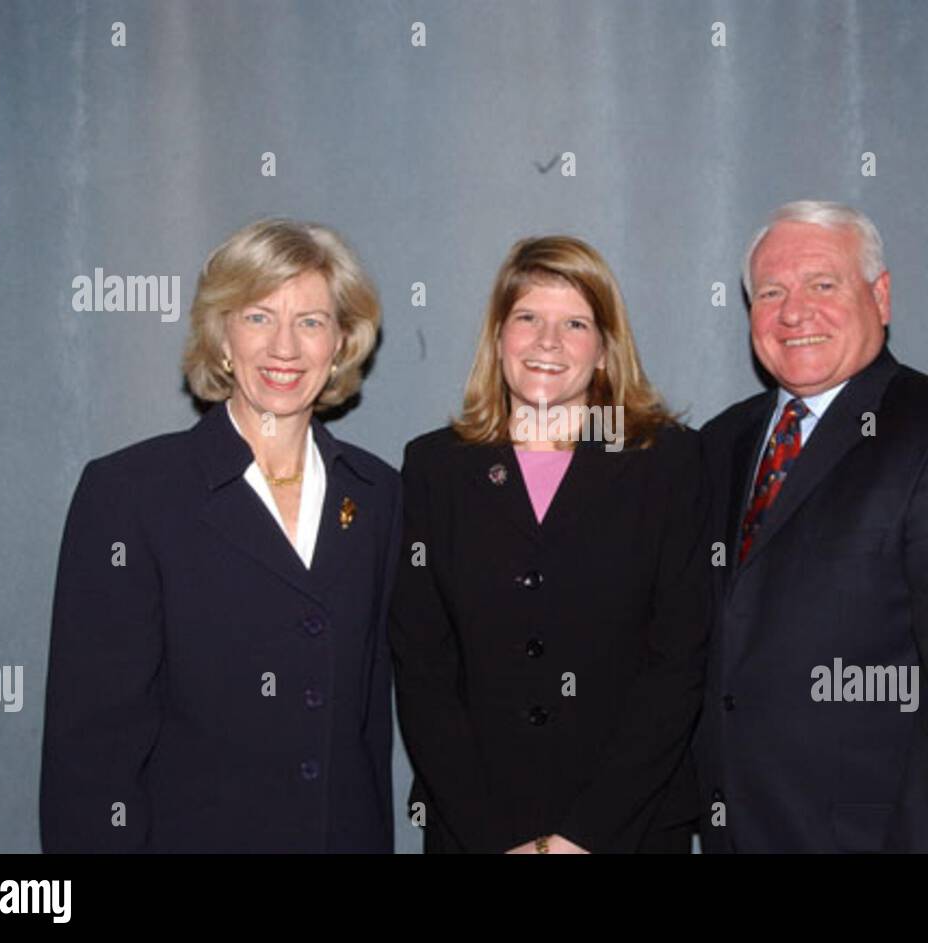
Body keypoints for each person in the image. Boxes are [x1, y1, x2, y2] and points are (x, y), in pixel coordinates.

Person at [695, 200, 928, 853]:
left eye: (823, 284)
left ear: (881, 297)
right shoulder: (718, 445)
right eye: (771, 291)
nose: (794, 310)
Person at [40, 219, 400, 852]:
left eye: (311, 322)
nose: (284, 348)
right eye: (259, 317)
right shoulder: (130, 495)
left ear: (342, 344)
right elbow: (90, 753)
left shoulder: (377, 497)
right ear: (222, 336)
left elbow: (369, 733)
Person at [391, 235, 708, 853]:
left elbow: (679, 662)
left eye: (575, 323)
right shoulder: (436, 468)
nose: (547, 341)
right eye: (528, 318)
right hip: (474, 829)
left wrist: (583, 837)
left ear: (605, 351)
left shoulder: (667, 464)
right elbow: (423, 669)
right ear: (499, 337)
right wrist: (493, 838)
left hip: (630, 827)